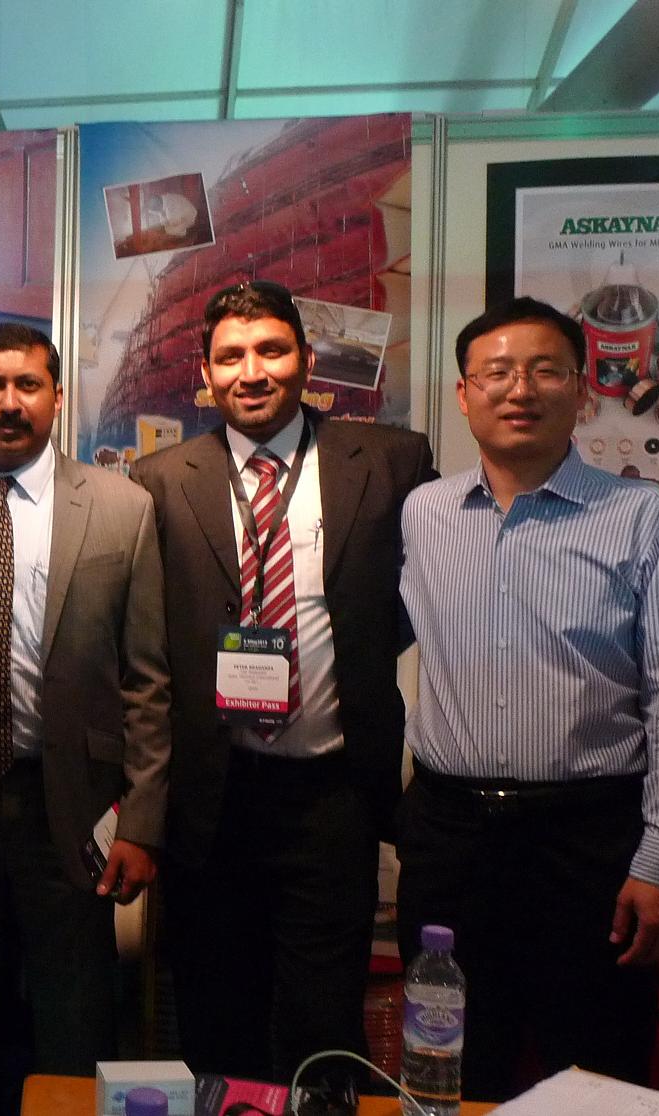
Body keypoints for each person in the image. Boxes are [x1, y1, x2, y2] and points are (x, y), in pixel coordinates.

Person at [396, 297, 659, 1097]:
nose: (520, 389)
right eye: (497, 372)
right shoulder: (424, 514)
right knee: (449, 1070)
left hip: (589, 843)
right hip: (451, 840)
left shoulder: (643, 519)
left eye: (545, 371)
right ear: (464, 393)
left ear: (580, 389)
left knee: (597, 1075)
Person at [128, 280, 436, 1087]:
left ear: (305, 359)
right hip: (211, 795)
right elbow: (145, 644)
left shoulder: (391, 462)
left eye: (271, 349)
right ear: (205, 372)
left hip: (331, 796)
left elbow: (422, 599)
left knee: (323, 1026)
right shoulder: (159, 479)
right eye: (231, 356)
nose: (252, 371)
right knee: (215, 1017)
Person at [0, 323, 170, 1115]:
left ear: (56, 397)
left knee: (76, 1017)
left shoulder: (121, 508)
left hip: (72, 808)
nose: (9, 403)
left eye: (28, 386)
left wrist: (142, 821)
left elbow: (149, 680)